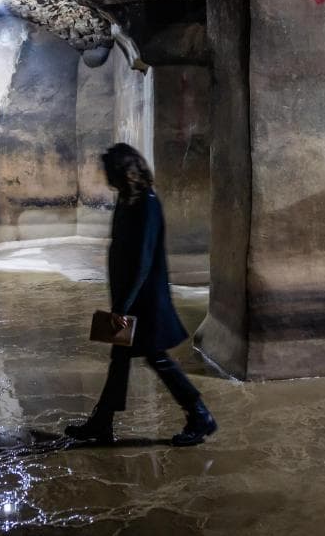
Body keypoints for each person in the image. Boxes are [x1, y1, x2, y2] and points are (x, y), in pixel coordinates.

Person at [65, 143, 217, 447]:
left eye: (110, 170)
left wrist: (123, 305)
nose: (106, 176)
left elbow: (144, 259)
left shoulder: (147, 203)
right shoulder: (128, 199)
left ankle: (199, 415)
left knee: (157, 358)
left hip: (144, 299)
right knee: (119, 359)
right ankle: (102, 421)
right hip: (127, 296)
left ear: (123, 171)